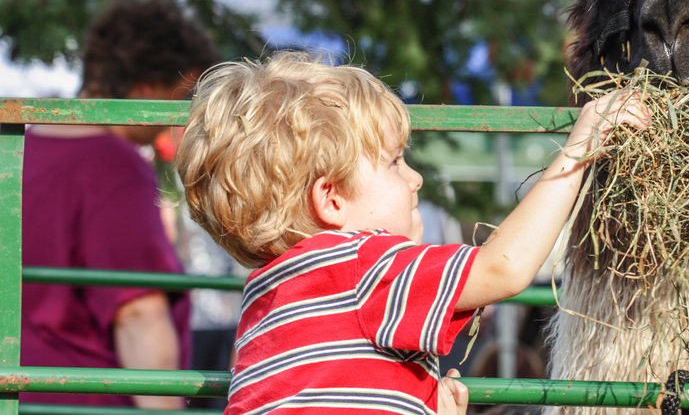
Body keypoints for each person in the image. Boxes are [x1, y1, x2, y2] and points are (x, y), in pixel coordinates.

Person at [175, 52, 649, 415]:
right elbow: (503, 266)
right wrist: (581, 148)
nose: (415, 178)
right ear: (331, 199)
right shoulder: (362, 265)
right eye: (395, 162)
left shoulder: (266, 299)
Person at [21, 0, 219, 410]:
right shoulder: (112, 164)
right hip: (82, 401)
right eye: (181, 96)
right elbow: (138, 315)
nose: (180, 113)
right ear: (146, 88)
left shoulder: (22, 152)